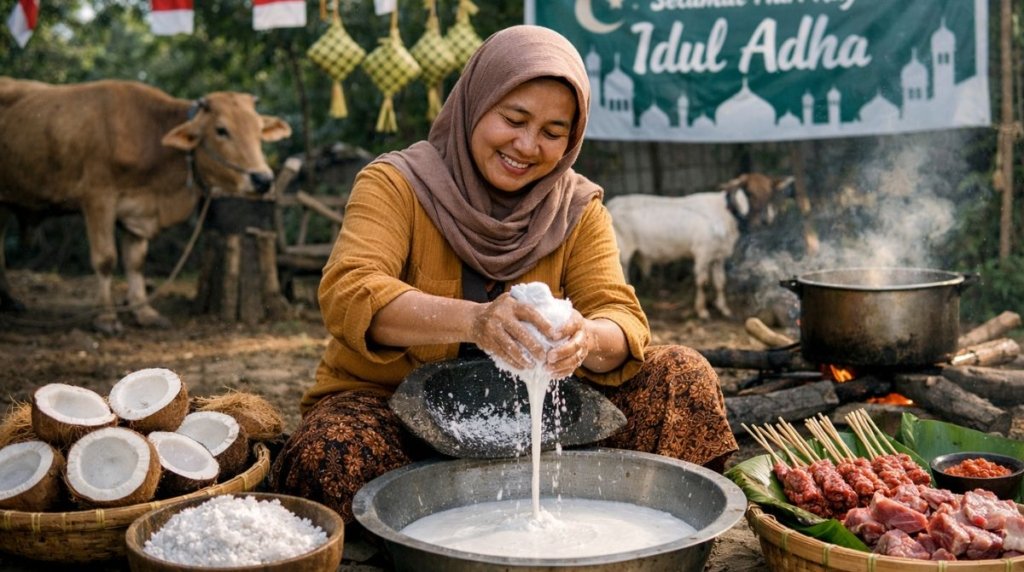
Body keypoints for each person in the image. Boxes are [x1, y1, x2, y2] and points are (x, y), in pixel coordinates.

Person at [269, 25, 738, 523]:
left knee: (681, 377)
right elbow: (350, 291)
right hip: (399, 421)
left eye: (553, 133)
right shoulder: (396, 185)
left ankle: (608, 524)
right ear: (475, 103)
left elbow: (620, 316)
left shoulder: (577, 208)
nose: (528, 145)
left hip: (550, 424)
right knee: (331, 452)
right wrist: (475, 321)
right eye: (513, 119)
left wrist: (586, 339)